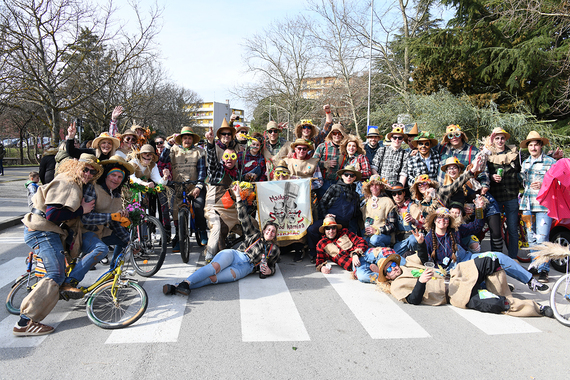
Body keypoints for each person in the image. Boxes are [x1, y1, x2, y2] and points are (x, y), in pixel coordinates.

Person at [15, 154, 100, 336]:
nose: (88, 174)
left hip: (46, 232)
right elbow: (52, 214)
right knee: (55, 275)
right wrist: (81, 209)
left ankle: (28, 319)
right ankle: (25, 322)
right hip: (42, 231)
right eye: (85, 169)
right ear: (75, 167)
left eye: (92, 172)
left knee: (57, 274)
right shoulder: (69, 182)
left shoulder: (72, 182)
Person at [163, 183, 280, 295]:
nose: (270, 232)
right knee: (214, 268)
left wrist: (270, 271)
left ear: (275, 235)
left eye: (273, 231)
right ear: (264, 230)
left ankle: (176, 287)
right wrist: (238, 196)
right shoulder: (254, 235)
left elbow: (272, 266)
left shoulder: (274, 249)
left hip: (246, 268)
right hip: (236, 255)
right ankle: (185, 283)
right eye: (268, 230)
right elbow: (244, 217)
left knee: (213, 278)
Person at [417, 207, 549, 293]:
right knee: (471, 285)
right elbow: (425, 261)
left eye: (446, 218)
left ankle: (531, 281)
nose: (443, 221)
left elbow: (476, 226)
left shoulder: (456, 230)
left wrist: (479, 208)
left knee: (497, 256)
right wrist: (421, 244)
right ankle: (497, 287)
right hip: (452, 271)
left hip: (468, 259)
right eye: (439, 218)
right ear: (434, 220)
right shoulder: (428, 239)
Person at [375, 253, 550, 318]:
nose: (393, 268)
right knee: (495, 304)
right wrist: (421, 283)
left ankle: (501, 291)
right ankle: (538, 308)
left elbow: (422, 253)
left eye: (393, 264)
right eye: (388, 269)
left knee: (489, 261)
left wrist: (420, 241)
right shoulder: (397, 285)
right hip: (453, 294)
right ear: (387, 277)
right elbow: (413, 300)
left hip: (456, 276)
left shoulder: (407, 266)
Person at [440, 156, 503, 252]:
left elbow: (477, 224)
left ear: (459, 169)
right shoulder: (444, 188)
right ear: (446, 171)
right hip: (449, 224)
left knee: (476, 244)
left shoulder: (470, 183)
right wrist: (461, 209)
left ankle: (495, 259)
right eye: (449, 168)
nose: (452, 170)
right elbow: (455, 187)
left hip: (465, 220)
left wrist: (478, 207)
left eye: (454, 168)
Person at [81, 155, 134, 266]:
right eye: (113, 175)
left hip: (99, 232)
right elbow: (85, 218)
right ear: (106, 176)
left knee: (126, 241)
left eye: (120, 177)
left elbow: (115, 223)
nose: (116, 179)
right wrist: (112, 216)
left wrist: (129, 241)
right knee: (102, 249)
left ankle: (113, 272)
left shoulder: (116, 194)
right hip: (82, 233)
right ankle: (73, 279)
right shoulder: (93, 188)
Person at [520, 131, 557, 283]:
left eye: (536, 144)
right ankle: (535, 265)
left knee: (543, 238)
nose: (533, 147)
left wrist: (544, 185)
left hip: (543, 206)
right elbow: (522, 183)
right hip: (527, 205)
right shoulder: (525, 163)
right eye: (531, 145)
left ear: (541, 146)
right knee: (531, 237)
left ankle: (544, 271)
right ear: (527, 147)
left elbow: (558, 183)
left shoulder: (550, 162)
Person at [160, 127, 206, 249]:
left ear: (193, 140)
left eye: (189, 138)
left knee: (199, 206)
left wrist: (199, 186)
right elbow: (162, 159)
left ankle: (202, 231)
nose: (187, 140)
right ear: (181, 139)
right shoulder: (174, 150)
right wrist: (168, 145)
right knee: (175, 211)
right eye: (185, 138)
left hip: (194, 186)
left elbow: (202, 171)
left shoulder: (199, 151)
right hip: (178, 186)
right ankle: (180, 238)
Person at [203, 126, 244, 262]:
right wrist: (210, 143)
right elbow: (211, 159)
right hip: (213, 208)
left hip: (229, 210)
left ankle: (252, 252)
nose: (229, 159)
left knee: (251, 224)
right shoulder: (217, 170)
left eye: (232, 157)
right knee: (217, 227)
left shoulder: (237, 173)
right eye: (226, 156)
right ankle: (209, 257)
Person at [307, 165, 362, 262]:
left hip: (344, 225)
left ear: (355, 178)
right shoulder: (334, 188)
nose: (349, 177)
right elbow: (322, 203)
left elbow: (356, 214)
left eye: (351, 175)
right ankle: (314, 254)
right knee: (312, 230)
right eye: (346, 175)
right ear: (342, 176)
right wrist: (325, 215)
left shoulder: (356, 195)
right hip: (330, 222)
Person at [485, 127, 521, 260]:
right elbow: (483, 174)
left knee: (512, 229)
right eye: (497, 138)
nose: (500, 141)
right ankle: (497, 258)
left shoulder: (514, 154)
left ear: (505, 139)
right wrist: (492, 177)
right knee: (495, 230)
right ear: (493, 140)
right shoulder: (488, 155)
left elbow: (522, 170)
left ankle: (513, 258)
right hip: (495, 197)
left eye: (502, 138)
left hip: (511, 195)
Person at [436, 124, 490, 193]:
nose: (454, 137)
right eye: (451, 136)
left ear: (461, 135)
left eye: (457, 134)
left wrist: (484, 185)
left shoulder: (472, 151)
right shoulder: (441, 148)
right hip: (442, 192)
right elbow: (426, 148)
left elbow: (482, 169)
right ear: (448, 138)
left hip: (462, 193)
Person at [387, 182, 423, 257]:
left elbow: (423, 225)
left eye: (399, 193)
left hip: (412, 236)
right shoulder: (392, 208)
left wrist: (413, 220)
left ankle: (415, 256)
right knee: (391, 255)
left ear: (404, 193)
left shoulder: (412, 206)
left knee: (412, 240)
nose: (397, 196)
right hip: (400, 240)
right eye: (394, 194)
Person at [313, 123, 348, 197]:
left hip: (340, 183)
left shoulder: (346, 148)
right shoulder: (322, 146)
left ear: (342, 135)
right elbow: (313, 163)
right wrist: (325, 164)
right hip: (324, 183)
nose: (337, 135)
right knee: (322, 206)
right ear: (331, 134)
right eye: (334, 133)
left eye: (339, 133)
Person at [361, 175, 396, 248]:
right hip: (367, 235)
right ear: (369, 187)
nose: (374, 187)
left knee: (374, 240)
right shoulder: (367, 201)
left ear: (381, 186)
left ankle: (387, 252)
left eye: (377, 184)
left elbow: (392, 225)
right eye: (372, 185)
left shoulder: (388, 201)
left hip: (384, 235)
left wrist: (378, 230)